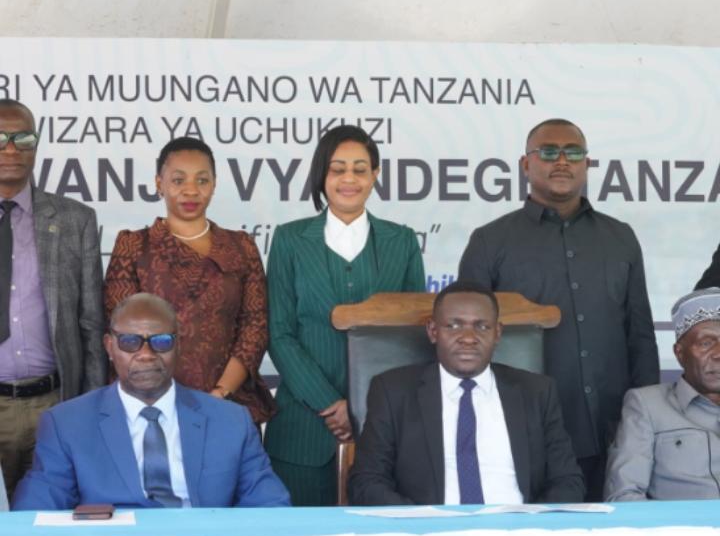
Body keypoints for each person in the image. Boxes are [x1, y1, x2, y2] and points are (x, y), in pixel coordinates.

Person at [458, 118, 659, 500]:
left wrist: (647, 421)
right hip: (525, 432)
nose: (562, 161)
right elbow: (467, 344)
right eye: (549, 151)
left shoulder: (621, 238)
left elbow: (640, 335)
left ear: (587, 163)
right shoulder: (489, 242)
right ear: (525, 164)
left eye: (574, 152)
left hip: (614, 432)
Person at [264, 124, 426, 506]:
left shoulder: (402, 241)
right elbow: (279, 332)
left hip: (383, 429)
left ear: (375, 175)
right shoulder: (289, 240)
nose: (349, 179)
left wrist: (362, 408)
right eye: (338, 169)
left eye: (360, 169)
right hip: (302, 430)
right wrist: (330, 403)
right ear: (322, 174)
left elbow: (415, 334)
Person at [12, 293, 290, 509]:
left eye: (161, 341)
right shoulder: (66, 424)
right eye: (129, 341)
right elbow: (36, 511)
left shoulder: (231, 421)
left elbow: (270, 506)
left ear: (179, 346)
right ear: (109, 347)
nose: (146, 354)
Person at [348, 281, 583, 505]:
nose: (469, 338)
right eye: (454, 325)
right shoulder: (393, 392)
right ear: (433, 331)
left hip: (518, 524)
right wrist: (422, 523)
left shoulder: (537, 392)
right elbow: (366, 482)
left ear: (497, 333)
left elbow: (567, 482)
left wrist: (530, 524)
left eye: (482, 326)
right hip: (431, 526)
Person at [104, 136, 273, 424]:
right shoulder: (134, 246)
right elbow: (125, 334)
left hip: (228, 405)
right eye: (178, 180)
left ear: (214, 184)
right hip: (150, 406)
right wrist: (164, 400)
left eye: (202, 180)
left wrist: (220, 394)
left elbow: (254, 327)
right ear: (159, 184)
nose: (191, 190)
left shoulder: (241, 246)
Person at [0, 99, 105, 497]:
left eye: (22, 138)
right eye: (0, 138)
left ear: (37, 144)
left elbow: (91, 325)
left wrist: (92, 409)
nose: (11, 149)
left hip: (54, 407)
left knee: (50, 518)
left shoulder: (75, 219)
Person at [605, 288, 720, 501]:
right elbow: (624, 495)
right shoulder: (647, 406)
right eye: (706, 343)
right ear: (679, 353)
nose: (718, 353)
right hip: (682, 522)